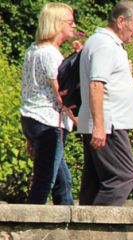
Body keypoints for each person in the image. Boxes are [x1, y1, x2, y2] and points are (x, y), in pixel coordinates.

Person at [77, 1, 133, 206]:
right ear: (121, 21)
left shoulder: (106, 44)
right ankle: (97, 231)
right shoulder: (105, 45)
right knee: (124, 176)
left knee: (95, 181)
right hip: (108, 124)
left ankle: (83, 229)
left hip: (106, 123)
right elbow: (96, 84)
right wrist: (99, 126)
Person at [19, 3, 77, 205]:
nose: (74, 25)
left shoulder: (33, 50)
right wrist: (80, 120)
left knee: (63, 180)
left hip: (31, 119)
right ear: (56, 23)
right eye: (70, 21)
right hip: (49, 123)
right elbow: (62, 95)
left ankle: (67, 219)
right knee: (45, 180)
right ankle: (30, 223)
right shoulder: (51, 54)